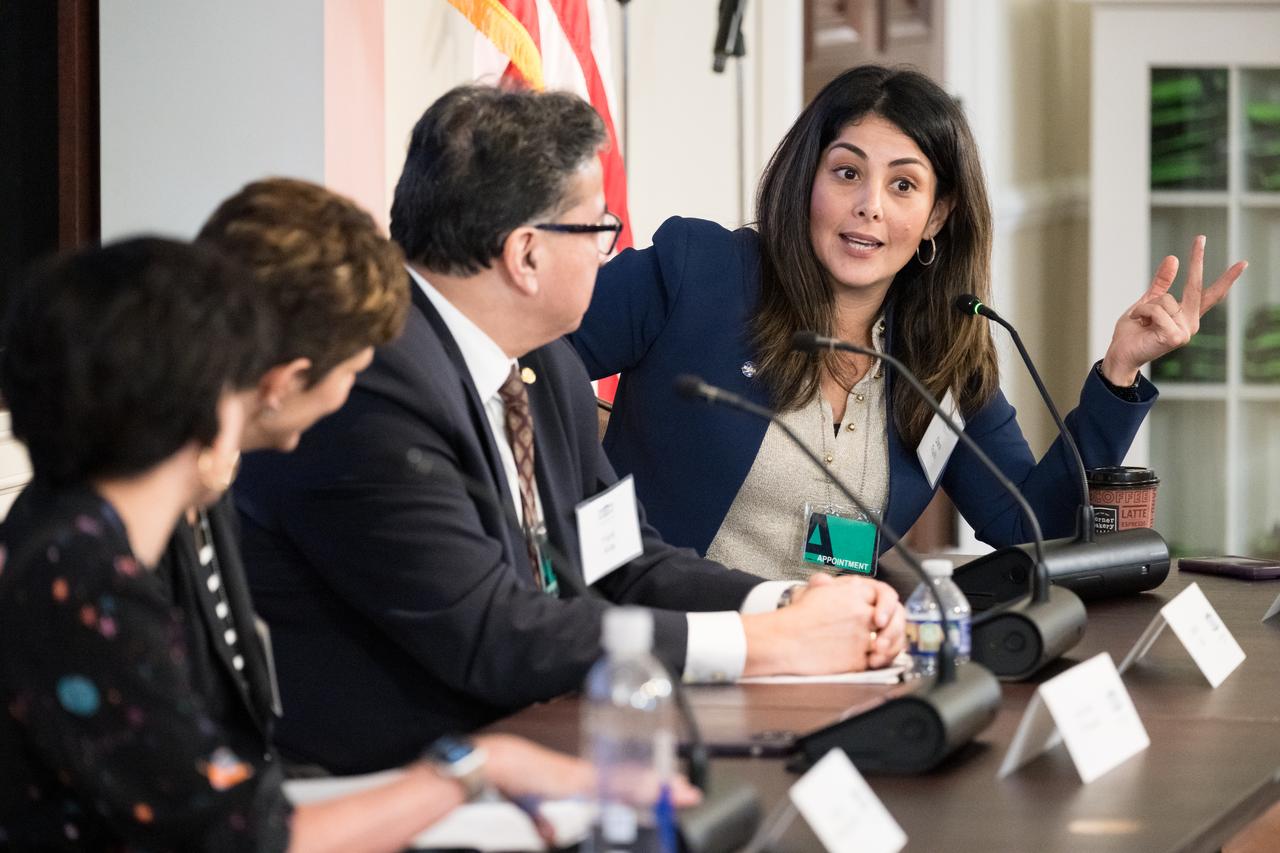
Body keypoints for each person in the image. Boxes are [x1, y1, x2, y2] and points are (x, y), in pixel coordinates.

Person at [233, 84, 907, 777]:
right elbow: (492, 631)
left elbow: (623, 562)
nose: (606, 255)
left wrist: (787, 601)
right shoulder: (372, 387)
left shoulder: (543, 364)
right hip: (385, 782)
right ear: (526, 255)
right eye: (597, 232)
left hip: (534, 747)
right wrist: (764, 642)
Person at [0, 236, 611, 852]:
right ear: (194, 403)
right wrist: (477, 768)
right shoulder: (82, 576)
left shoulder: (76, 535)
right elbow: (243, 838)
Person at [568, 64, 1246, 580]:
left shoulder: (938, 351)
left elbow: (1028, 524)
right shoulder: (700, 274)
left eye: (903, 185)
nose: (869, 206)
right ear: (807, 180)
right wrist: (585, 478)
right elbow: (534, 350)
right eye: (846, 173)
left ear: (937, 216)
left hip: (832, 667)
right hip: (669, 645)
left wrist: (1120, 372)